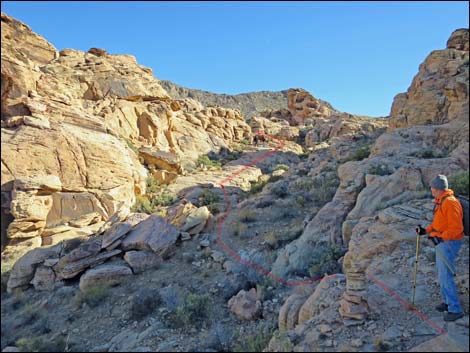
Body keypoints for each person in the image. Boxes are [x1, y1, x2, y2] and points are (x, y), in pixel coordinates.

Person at [417, 174, 464, 321]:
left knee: (445, 275)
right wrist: (426, 231)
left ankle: (455, 309)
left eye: (432, 188)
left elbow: (456, 228)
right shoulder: (441, 201)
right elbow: (439, 224)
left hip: (449, 243)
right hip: (442, 242)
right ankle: (447, 302)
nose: (431, 190)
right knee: (441, 273)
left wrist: (440, 238)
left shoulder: (449, 202)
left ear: (437, 189)